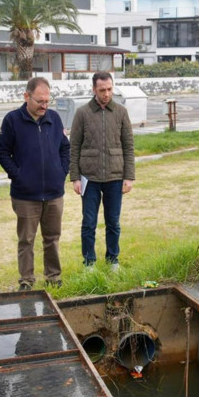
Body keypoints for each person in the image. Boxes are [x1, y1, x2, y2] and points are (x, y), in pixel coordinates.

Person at [0, 77, 69, 290]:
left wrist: (62, 171)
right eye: (40, 101)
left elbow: (65, 148)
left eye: (47, 101)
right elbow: (2, 152)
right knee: (26, 240)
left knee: (52, 238)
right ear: (26, 96)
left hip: (54, 193)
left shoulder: (54, 118)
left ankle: (53, 277)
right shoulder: (12, 120)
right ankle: (26, 280)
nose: (44, 106)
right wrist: (18, 175)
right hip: (25, 195)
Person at [69, 72, 135, 271]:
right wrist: (75, 177)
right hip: (89, 177)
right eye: (102, 90)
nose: (107, 94)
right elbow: (74, 147)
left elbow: (128, 146)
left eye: (109, 89)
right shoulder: (82, 113)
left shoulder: (121, 112)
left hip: (115, 177)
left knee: (113, 222)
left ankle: (113, 260)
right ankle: (89, 262)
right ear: (94, 90)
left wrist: (129, 176)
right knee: (89, 222)